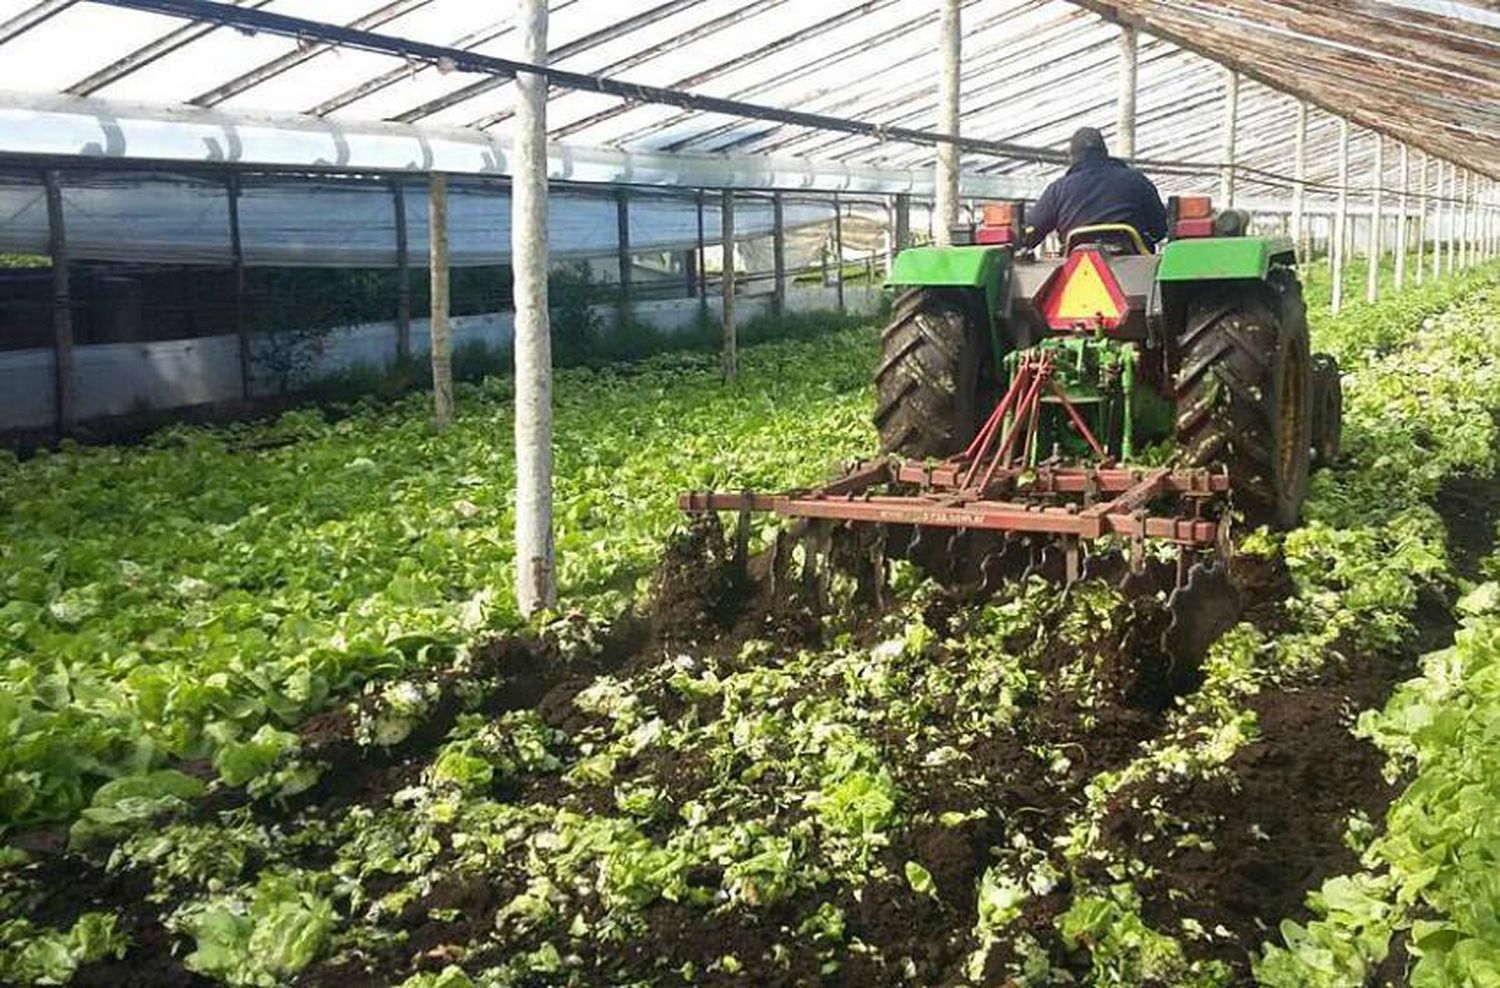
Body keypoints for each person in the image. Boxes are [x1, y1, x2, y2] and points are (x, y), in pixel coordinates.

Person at [1023, 127, 1168, 251]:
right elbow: (1159, 229)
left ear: (1072, 157)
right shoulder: (1137, 180)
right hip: (1132, 263)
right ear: (1105, 152)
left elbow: (1032, 232)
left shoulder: (1058, 189)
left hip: (1075, 265)